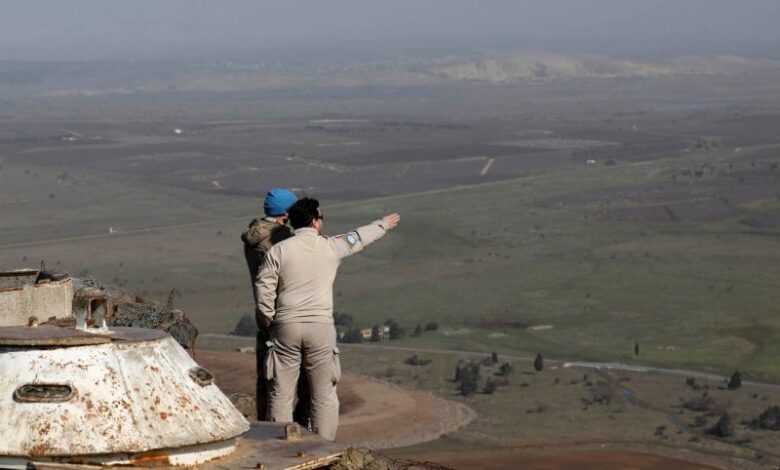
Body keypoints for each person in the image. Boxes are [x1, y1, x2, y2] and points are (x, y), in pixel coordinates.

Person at [256, 197, 400, 440]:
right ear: (315, 222)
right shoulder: (331, 246)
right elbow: (357, 238)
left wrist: (269, 320)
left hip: (286, 326)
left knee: (281, 393)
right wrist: (382, 225)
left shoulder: (278, 250)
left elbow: (264, 287)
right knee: (323, 394)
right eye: (321, 217)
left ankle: (278, 448)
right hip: (320, 329)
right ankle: (324, 447)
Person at [241, 188, 310, 424]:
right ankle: (294, 430)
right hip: (285, 315)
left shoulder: (255, 235)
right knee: (294, 380)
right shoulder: (278, 239)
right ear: (286, 213)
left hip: (265, 314)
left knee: (267, 377)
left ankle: (266, 426)